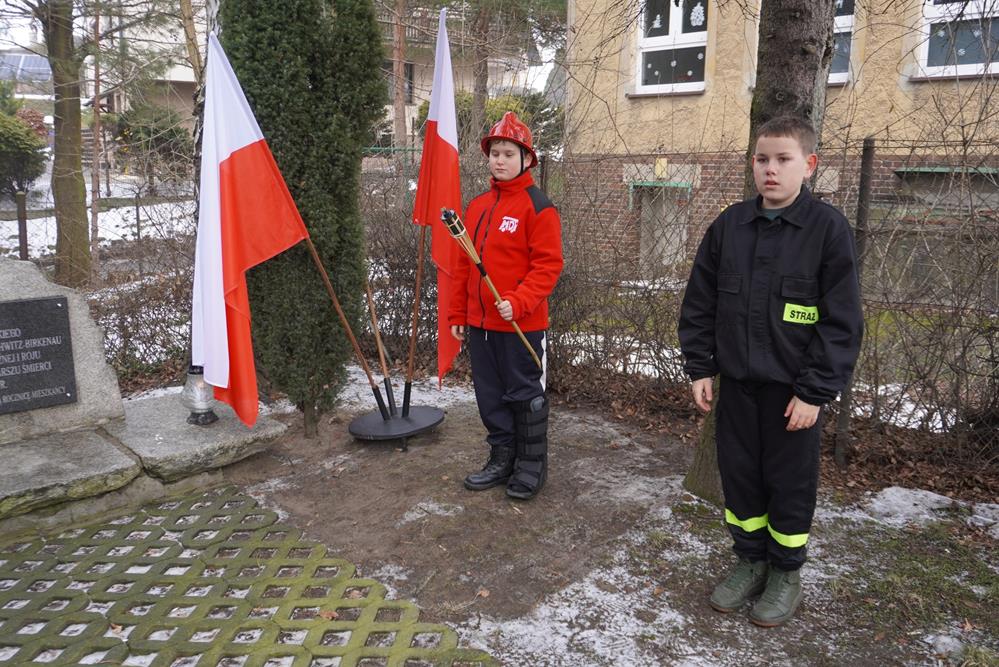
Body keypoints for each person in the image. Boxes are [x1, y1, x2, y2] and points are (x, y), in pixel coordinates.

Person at [678, 115, 863, 626]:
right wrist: (700, 367)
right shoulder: (730, 227)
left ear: (810, 164)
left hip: (793, 396)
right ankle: (750, 561)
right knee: (741, 480)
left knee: (789, 484)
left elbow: (842, 322)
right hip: (737, 388)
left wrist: (814, 392)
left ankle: (785, 573)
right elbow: (700, 304)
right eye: (762, 159)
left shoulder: (827, 230)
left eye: (783, 159)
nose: (771, 170)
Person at [449, 111, 564, 501]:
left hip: (521, 325)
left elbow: (548, 266)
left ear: (527, 158)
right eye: (495, 153)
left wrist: (519, 301)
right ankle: (502, 459)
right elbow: (464, 265)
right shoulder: (478, 206)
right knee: (490, 397)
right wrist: (458, 313)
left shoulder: (539, 207)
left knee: (524, 395)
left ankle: (531, 466)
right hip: (481, 325)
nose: (500, 161)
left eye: (509, 154)